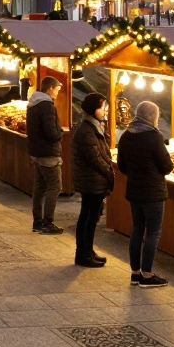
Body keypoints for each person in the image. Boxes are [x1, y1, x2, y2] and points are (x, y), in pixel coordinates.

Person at [116, 101, 173, 288]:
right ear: (151, 116)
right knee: (153, 232)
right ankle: (147, 275)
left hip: (134, 191)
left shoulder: (127, 136)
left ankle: (135, 273)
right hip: (153, 192)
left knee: (137, 229)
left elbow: (122, 166)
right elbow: (167, 166)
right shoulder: (153, 137)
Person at [72, 92, 113, 268]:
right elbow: (94, 158)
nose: (104, 111)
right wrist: (108, 172)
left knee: (90, 216)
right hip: (91, 180)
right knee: (88, 217)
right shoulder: (87, 130)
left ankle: (88, 251)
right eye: (102, 107)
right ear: (93, 109)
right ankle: (83, 254)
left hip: (92, 180)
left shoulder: (93, 127)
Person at [26, 76, 65, 234]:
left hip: (36, 151)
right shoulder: (47, 106)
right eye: (57, 90)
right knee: (55, 187)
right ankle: (48, 222)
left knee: (40, 187)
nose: (57, 93)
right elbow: (51, 132)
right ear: (50, 88)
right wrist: (60, 133)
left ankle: (37, 221)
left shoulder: (33, 104)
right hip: (48, 153)